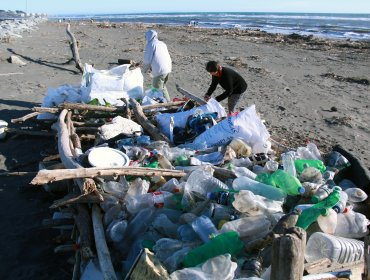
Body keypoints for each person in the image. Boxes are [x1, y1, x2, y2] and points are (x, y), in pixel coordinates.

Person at [142, 30, 172, 101]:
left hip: (160, 70)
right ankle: (168, 102)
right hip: (168, 68)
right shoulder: (162, 43)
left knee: (157, 90)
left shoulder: (151, 44)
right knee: (163, 87)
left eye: (146, 37)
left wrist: (144, 70)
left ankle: (163, 106)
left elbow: (147, 60)